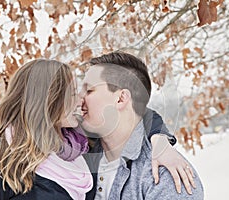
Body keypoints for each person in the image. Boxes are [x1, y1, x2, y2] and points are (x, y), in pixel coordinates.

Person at [0, 59, 93, 200]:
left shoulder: (79, 149)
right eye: (72, 94)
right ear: (48, 100)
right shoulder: (5, 160)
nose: (79, 101)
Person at [79, 52, 204, 199]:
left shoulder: (166, 177)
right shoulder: (77, 151)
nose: (79, 97)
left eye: (89, 90)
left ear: (120, 99)